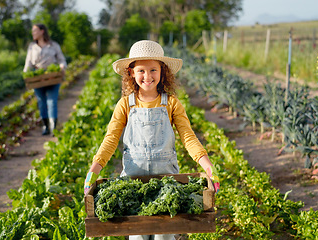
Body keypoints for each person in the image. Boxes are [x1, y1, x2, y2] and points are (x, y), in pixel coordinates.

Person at [83, 40, 220, 240]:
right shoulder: (125, 104)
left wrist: (207, 165)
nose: (148, 76)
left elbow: (188, 136)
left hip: (167, 182)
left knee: (164, 234)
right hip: (132, 182)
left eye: (153, 70)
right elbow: (111, 138)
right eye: (141, 71)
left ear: (162, 71)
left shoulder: (171, 103)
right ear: (131, 72)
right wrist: (94, 170)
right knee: (138, 235)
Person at [23, 24, 67, 135]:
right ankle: (46, 126)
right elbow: (28, 63)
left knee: (52, 102)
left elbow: (62, 59)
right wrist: (26, 75)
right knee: (41, 102)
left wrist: (62, 66)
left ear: (42, 31)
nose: (33, 33)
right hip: (38, 78)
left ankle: (54, 127)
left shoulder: (53, 45)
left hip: (52, 77)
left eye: (35, 31)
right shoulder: (32, 47)